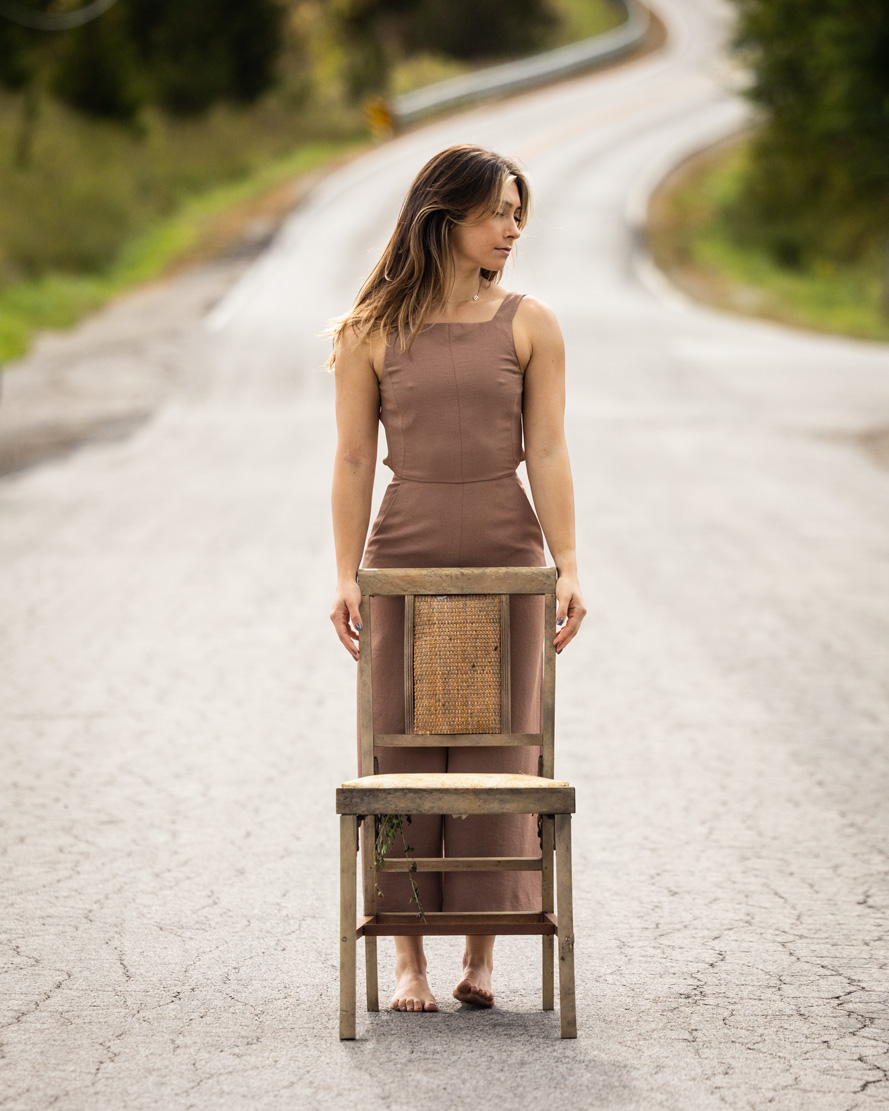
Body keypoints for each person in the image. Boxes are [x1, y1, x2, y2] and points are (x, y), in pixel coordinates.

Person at [329, 144, 585, 1014]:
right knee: (399, 748)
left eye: (519, 213)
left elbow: (546, 448)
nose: (512, 230)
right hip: (402, 551)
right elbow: (355, 456)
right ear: (445, 216)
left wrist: (568, 562)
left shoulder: (529, 321)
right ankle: (407, 963)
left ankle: (484, 952)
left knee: (497, 747)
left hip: (508, 556)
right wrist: (345, 571)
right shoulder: (370, 329)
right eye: (498, 213)